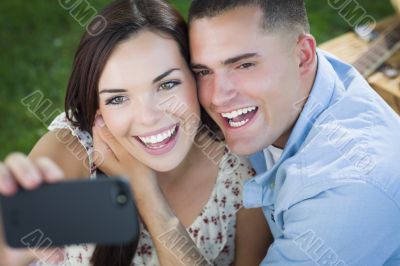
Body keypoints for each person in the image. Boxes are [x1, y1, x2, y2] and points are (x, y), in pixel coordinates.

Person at [0, 0, 272, 265]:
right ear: (97, 111)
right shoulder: (74, 150)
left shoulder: (242, 171)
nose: (148, 117)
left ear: (197, 75)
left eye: (167, 84)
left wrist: (145, 192)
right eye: (117, 99)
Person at [188, 0, 400, 265]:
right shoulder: (292, 85)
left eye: (244, 65)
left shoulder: (346, 191)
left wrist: (148, 198)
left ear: (303, 57)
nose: (217, 97)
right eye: (203, 71)